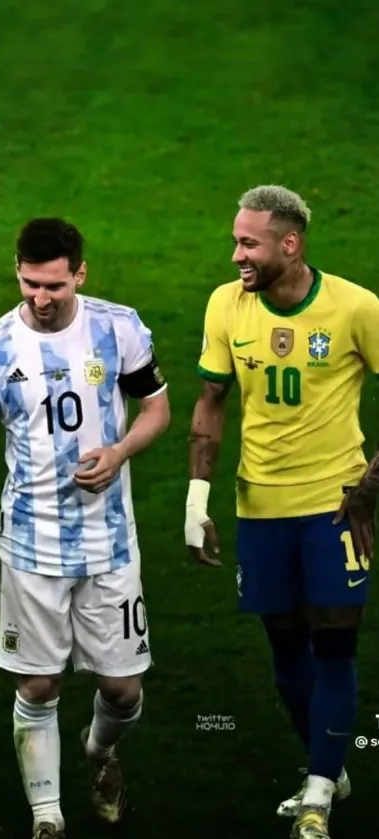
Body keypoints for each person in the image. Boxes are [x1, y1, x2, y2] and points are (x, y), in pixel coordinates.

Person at [184, 185, 379, 839]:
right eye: (235, 240)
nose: (235, 253)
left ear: (288, 244)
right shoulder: (225, 305)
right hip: (258, 506)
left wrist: (368, 487)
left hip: (332, 508)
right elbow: (210, 401)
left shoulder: (354, 308)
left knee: (333, 640)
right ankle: (331, 765)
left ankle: (317, 792)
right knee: (284, 646)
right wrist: (195, 499)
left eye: (248, 242)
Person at [0, 218, 170, 839]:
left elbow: (156, 408)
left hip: (109, 540)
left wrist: (118, 454)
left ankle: (99, 752)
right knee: (38, 681)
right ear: (18, 271)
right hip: (30, 544)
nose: (40, 297)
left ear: (78, 274)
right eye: (30, 283)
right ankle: (48, 817)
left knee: (122, 690)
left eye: (54, 285)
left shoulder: (117, 327)